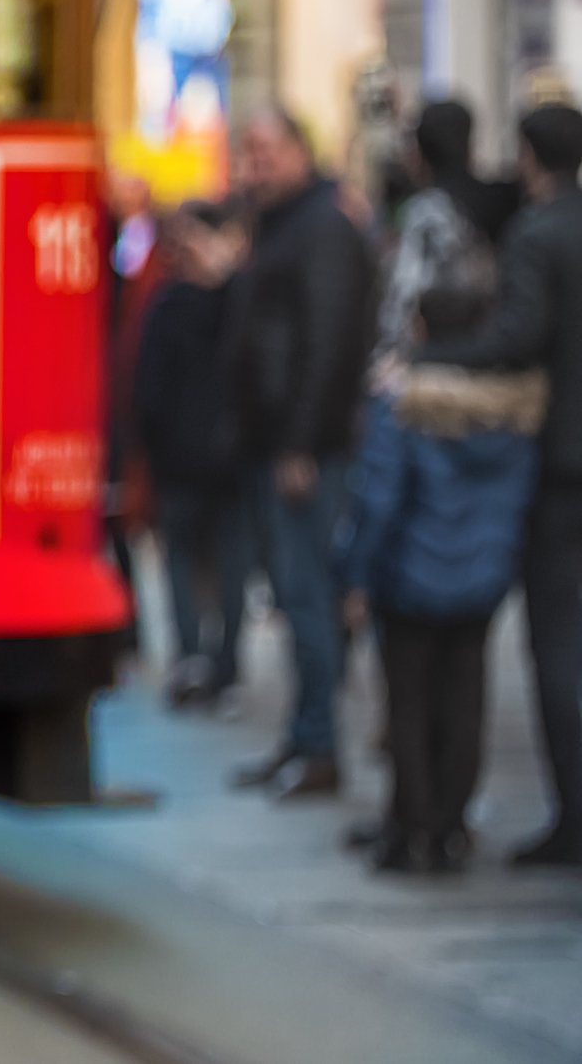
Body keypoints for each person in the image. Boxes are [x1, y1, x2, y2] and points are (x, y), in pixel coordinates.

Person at [418, 103, 582, 868]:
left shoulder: (538, 233)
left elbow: (516, 335)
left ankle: (574, 814)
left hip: (561, 465)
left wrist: (434, 360)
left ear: (526, 155)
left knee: (557, 645)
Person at [341, 283, 543, 874]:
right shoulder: (512, 406)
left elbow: (378, 498)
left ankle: (413, 826)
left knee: (407, 703)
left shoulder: (401, 401)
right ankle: (453, 823)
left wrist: (355, 573)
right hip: (481, 575)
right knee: (464, 699)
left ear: (422, 326)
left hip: (408, 573)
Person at [227, 108, 376, 800]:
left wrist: (299, 441)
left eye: (266, 150)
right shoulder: (285, 223)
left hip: (306, 448)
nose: (254, 165)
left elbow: (327, 341)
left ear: (299, 150)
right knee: (293, 596)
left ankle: (317, 743)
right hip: (276, 439)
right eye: (246, 151)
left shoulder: (322, 226)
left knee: (309, 594)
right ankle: (301, 736)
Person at [135, 200, 251, 706]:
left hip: (216, 463)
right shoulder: (182, 305)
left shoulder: (231, 303)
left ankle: (211, 661)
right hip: (196, 462)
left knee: (222, 563)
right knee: (199, 560)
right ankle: (202, 659)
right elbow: (148, 390)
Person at [372, 101, 497, 374]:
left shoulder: (427, 211)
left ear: (418, 153)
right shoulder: (499, 199)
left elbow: (402, 302)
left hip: (436, 368)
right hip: (489, 360)